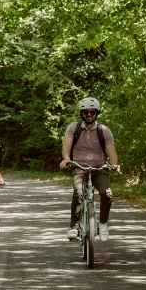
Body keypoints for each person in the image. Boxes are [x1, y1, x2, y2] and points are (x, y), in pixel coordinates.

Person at [60, 97, 120, 242]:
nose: (89, 115)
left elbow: (112, 152)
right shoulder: (73, 128)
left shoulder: (104, 130)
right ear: (81, 113)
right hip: (79, 167)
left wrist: (114, 164)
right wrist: (66, 159)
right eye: (85, 112)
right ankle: (74, 227)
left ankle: (103, 224)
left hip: (100, 167)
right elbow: (66, 147)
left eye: (92, 112)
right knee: (79, 192)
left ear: (96, 113)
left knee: (107, 194)